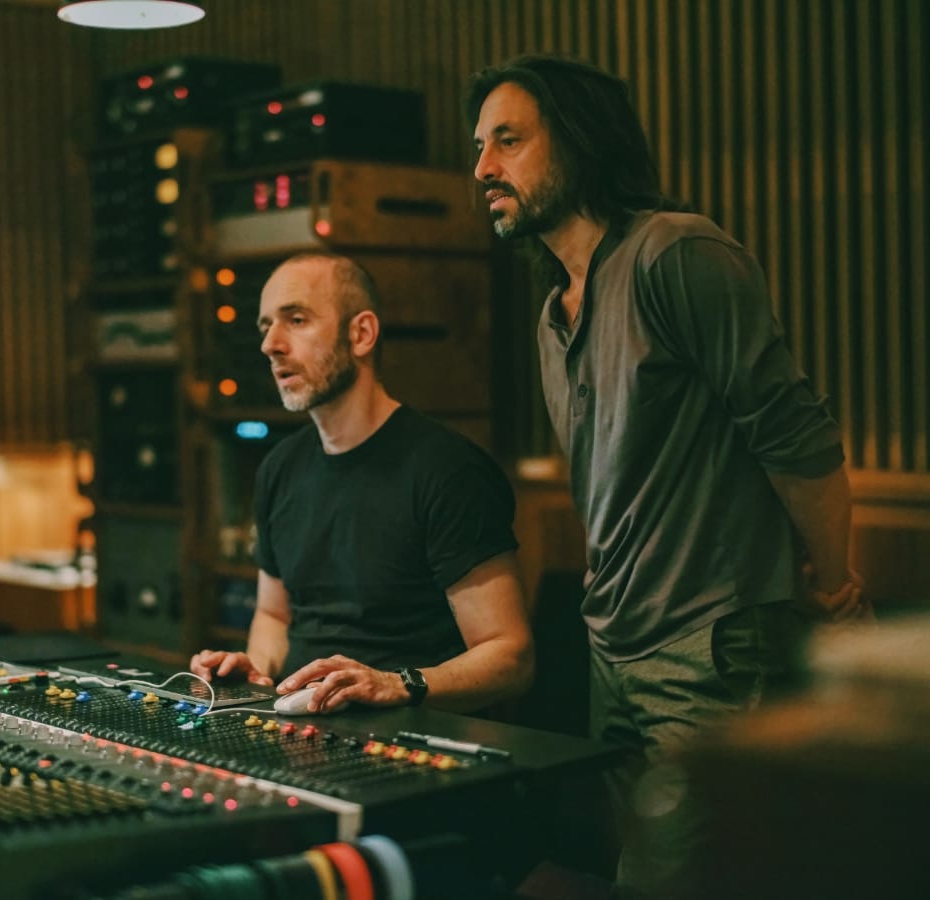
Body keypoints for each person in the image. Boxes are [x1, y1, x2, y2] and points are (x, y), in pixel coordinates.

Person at [467, 54, 869, 898]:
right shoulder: (553, 313)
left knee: (705, 877)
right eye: (479, 147)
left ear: (576, 142)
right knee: (637, 874)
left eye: (508, 140)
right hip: (611, 645)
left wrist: (834, 586)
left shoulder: (674, 252)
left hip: (708, 643)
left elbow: (795, 434)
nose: (483, 169)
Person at [189, 251, 534, 714]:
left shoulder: (447, 469)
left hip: (413, 739)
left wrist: (397, 683)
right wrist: (253, 669)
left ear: (361, 334)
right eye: (265, 326)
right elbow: (274, 615)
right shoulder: (278, 468)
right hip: (301, 730)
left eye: (295, 320)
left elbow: (510, 656)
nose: (271, 343)